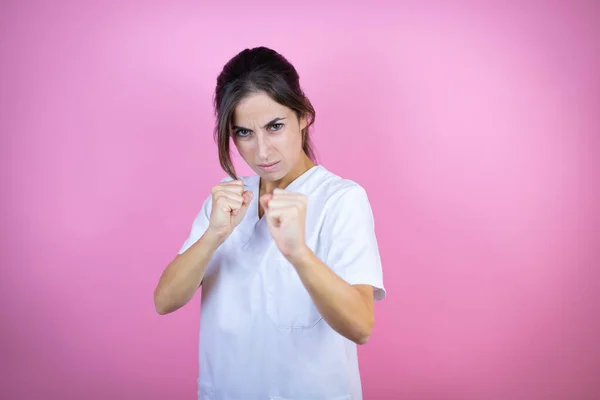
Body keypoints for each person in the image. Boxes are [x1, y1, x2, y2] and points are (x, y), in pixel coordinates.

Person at [154, 46, 386, 400]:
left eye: (274, 126)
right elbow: (165, 300)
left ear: (303, 116)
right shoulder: (226, 203)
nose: (261, 152)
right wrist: (214, 234)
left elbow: (360, 326)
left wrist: (299, 254)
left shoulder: (341, 200)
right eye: (244, 133)